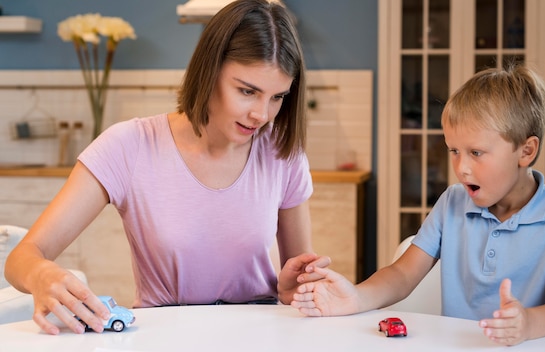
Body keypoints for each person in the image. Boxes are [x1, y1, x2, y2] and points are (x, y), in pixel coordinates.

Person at [5, 0, 329, 335]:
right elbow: (22, 257)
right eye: (247, 91)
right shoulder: (129, 145)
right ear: (209, 70)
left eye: (277, 97)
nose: (261, 115)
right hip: (164, 336)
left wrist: (297, 289)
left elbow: (297, 278)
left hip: (258, 335)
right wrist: (41, 274)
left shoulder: (281, 152)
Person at [290, 64, 545, 346]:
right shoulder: (452, 202)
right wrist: (356, 297)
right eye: (454, 150)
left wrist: (528, 324)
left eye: (476, 153)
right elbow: (403, 274)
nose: (462, 168)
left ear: (525, 151)